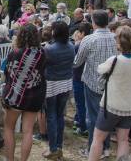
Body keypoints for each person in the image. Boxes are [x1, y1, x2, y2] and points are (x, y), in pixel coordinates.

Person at [88, 26, 131, 161]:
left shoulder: (115, 60)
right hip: (130, 106)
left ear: (118, 42)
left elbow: (100, 69)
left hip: (111, 106)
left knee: (98, 139)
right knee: (123, 139)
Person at [73, 10, 116, 156]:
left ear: (93, 22)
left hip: (93, 82)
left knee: (92, 117)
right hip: (110, 82)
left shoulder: (89, 39)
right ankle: (106, 147)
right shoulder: (115, 37)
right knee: (106, 115)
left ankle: (93, 148)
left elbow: (77, 62)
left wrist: (76, 44)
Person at [1, 23, 45, 161]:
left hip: (15, 96)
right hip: (34, 96)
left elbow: (8, 74)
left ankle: (10, 159)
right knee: (28, 131)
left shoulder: (15, 53)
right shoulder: (43, 53)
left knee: (8, 128)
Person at [43, 21, 75, 159]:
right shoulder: (71, 46)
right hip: (66, 82)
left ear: (55, 32)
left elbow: (43, 65)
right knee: (60, 115)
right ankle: (59, 146)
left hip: (51, 83)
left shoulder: (49, 49)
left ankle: (53, 148)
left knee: (51, 115)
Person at [71, 21, 92, 136]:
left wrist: (75, 43)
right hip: (87, 76)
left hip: (78, 77)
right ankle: (78, 120)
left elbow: (74, 62)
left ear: (82, 33)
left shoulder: (79, 45)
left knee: (80, 103)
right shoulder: (91, 42)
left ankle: (83, 127)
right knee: (84, 103)